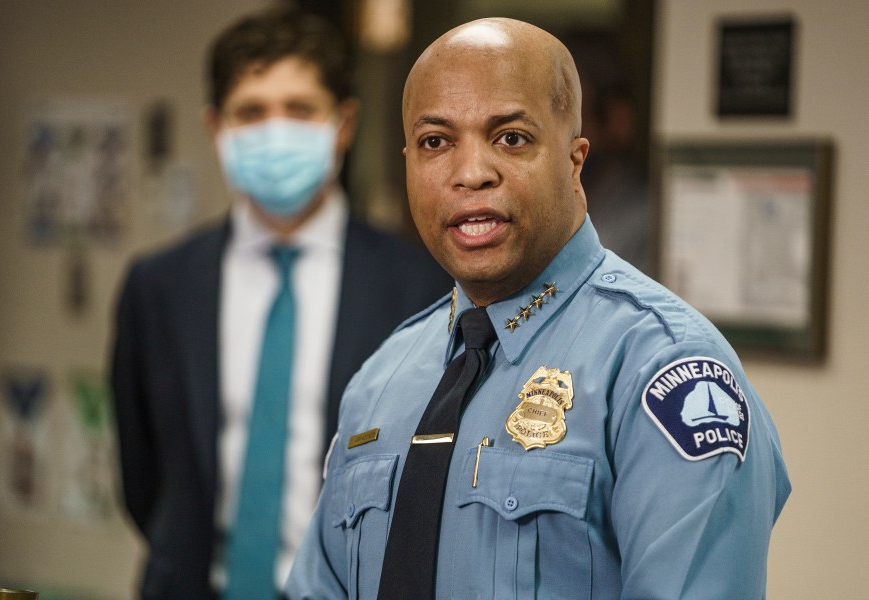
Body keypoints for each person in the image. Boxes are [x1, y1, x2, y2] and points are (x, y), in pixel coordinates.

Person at [286, 17, 790, 599]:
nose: (471, 173)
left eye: (511, 138)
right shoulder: (381, 378)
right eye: (435, 142)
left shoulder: (663, 371)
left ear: (575, 161)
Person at [110, 6, 450, 600]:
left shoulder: (420, 286)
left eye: (299, 110)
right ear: (216, 128)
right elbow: (142, 478)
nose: (275, 130)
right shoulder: (158, 287)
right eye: (251, 112)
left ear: (343, 125)